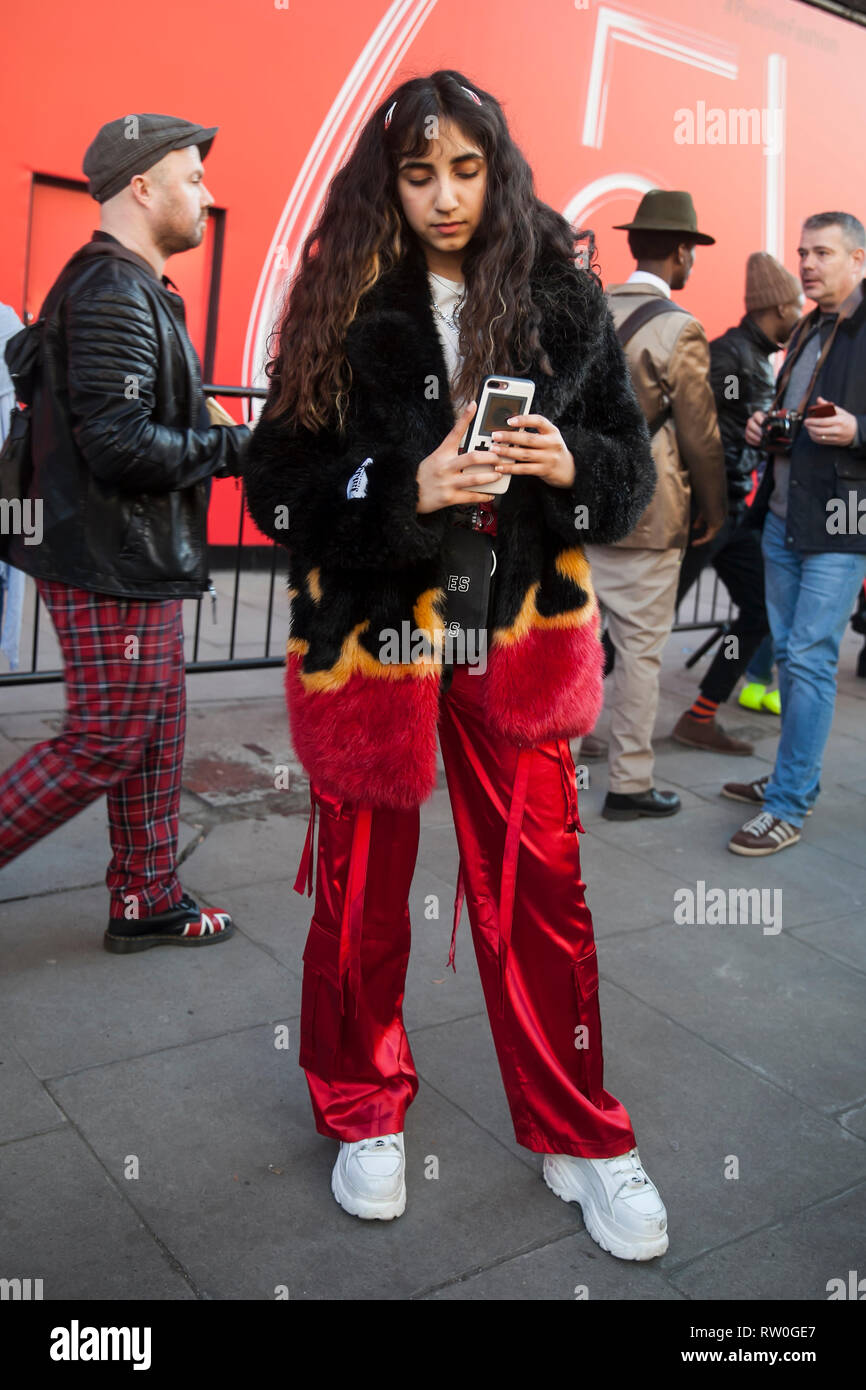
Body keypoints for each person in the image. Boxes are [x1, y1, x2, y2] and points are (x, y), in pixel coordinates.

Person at [244, 71, 670, 1259]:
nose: (443, 197)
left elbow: (628, 479)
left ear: (498, 169)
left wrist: (563, 459)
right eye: (418, 172)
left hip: (517, 636)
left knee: (544, 890)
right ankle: (362, 1106)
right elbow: (274, 492)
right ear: (389, 180)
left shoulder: (560, 300)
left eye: (465, 170)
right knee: (359, 894)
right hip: (375, 643)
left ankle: (580, 1132)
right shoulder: (336, 303)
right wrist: (398, 483)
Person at [0, 113, 249, 948]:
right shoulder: (114, 289)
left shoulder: (131, 284)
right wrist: (237, 445)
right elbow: (117, 442)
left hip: (129, 554)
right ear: (141, 187)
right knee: (104, 740)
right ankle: (145, 892)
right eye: (192, 178)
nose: (207, 196)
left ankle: (147, 898)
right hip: (109, 554)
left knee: (157, 729)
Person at [583, 190, 727, 820]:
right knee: (640, 649)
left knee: (576, 640)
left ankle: (563, 754)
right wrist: (714, 509)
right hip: (648, 513)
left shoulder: (588, 312)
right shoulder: (680, 327)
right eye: (690, 251)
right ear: (678, 252)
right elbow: (701, 436)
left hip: (578, 498)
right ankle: (629, 783)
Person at [726, 212, 866, 853]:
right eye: (804, 252)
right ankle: (791, 777)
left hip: (840, 526)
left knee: (808, 660)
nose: (807, 264)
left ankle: (788, 802)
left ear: (858, 260)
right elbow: (794, 412)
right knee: (789, 658)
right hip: (784, 518)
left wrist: (859, 431)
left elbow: (849, 423)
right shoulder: (810, 325)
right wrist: (764, 425)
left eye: (823, 253)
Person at [671, 252, 803, 751]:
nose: (800, 314)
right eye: (796, 305)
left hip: (734, 513)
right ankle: (576, 719)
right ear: (778, 307)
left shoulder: (757, 356)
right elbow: (699, 432)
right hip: (708, 512)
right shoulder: (728, 356)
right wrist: (711, 500)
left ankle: (700, 715)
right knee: (651, 620)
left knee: (760, 611)